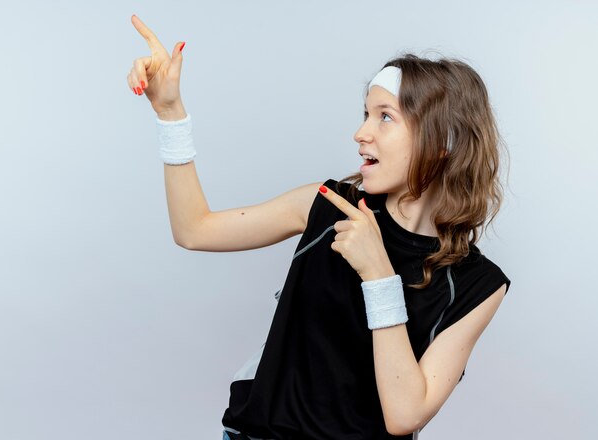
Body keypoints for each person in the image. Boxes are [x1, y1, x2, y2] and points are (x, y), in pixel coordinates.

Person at [127, 14, 511, 440]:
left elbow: (405, 415)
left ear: (443, 143)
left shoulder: (478, 284)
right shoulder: (327, 206)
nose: (360, 132)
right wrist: (170, 113)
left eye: (385, 117)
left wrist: (379, 274)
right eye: (366, 113)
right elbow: (194, 230)